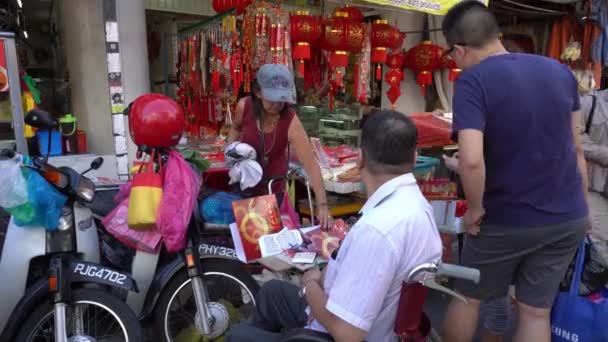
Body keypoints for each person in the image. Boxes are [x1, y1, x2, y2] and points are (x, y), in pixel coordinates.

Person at [441, 2, 589, 342]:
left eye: (452, 54)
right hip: (567, 217)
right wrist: (582, 208)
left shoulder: (472, 82)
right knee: (536, 312)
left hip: (507, 218)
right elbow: (576, 147)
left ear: (460, 49)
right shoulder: (559, 71)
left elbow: (472, 160)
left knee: (467, 296)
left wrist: (476, 208)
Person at [226, 110, 443, 341]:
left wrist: (311, 289)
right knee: (272, 292)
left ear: (359, 159)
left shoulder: (377, 230)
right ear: (414, 157)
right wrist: (322, 278)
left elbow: (347, 334)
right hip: (346, 308)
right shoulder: (417, 205)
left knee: (239, 334)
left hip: (335, 331)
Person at [227, 64, 332, 229]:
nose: (277, 105)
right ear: (258, 92)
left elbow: (310, 164)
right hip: (243, 188)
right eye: (272, 99)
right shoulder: (244, 106)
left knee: (266, 242)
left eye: (281, 100)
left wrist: (323, 204)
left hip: (272, 191)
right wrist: (230, 153)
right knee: (246, 239)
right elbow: (235, 127)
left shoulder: (290, 120)